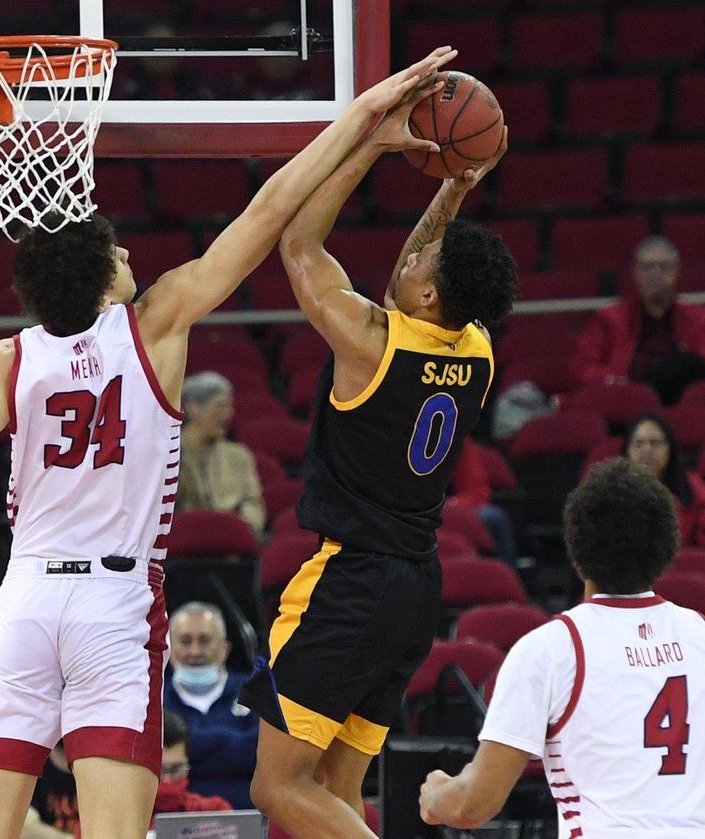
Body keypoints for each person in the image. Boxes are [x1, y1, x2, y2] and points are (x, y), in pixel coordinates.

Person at [0, 45, 459, 839]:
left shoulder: (5, 360)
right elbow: (268, 211)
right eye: (117, 252)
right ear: (102, 277)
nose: (130, 256)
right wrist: (359, 122)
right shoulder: (156, 325)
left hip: (28, 600)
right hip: (113, 605)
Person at [239, 87, 518, 837]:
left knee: (276, 786)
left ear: (428, 292)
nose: (414, 251)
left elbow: (298, 244)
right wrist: (452, 189)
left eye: (424, 257)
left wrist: (371, 142)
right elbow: (417, 276)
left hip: (352, 580)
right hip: (414, 588)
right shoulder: (477, 349)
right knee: (333, 787)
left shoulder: (371, 340)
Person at [420, 457, 705, 835]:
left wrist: (436, 796)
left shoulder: (551, 648)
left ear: (577, 550)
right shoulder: (697, 632)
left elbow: (475, 805)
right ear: (667, 547)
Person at [572, 235, 705, 403]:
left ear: (677, 271)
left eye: (663, 267)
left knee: (689, 363)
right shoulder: (611, 317)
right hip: (626, 398)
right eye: (647, 267)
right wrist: (617, 381)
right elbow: (583, 368)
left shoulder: (697, 318)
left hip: (681, 398)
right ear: (635, 272)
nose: (655, 274)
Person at [163, 601, 258, 808]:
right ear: (169, 648)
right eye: (185, 641)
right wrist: (236, 741)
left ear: (225, 648)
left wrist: (190, 744)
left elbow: (265, 754)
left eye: (204, 641)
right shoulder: (155, 701)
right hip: (179, 818)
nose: (195, 651)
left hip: (252, 817)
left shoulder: (256, 692)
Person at [178, 372, 266, 534]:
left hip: (229, 547)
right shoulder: (169, 453)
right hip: (180, 545)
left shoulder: (239, 456)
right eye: (220, 406)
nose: (229, 413)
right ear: (193, 407)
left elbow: (253, 504)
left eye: (229, 406)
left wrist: (241, 530)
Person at [623, 414, 705, 545]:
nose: (647, 450)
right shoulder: (612, 488)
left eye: (655, 443)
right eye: (638, 444)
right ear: (627, 451)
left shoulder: (691, 484)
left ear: (669, 449)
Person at [152, 710, 233, 819]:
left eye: (176, 769)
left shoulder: (214, 812)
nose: (167, 780)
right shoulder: (123, 820)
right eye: (158, 771)